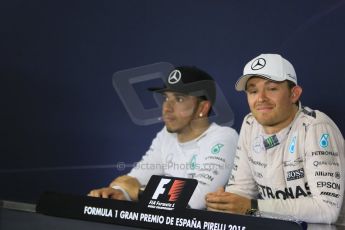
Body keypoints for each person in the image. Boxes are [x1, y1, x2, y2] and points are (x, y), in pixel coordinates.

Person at [206, 54, 345, 223]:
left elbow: (327, 210)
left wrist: (253, 208)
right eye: (253, 91)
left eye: (272, 88)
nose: (261, 98)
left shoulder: (316, 127)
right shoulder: (250, 123)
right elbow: (242, 191)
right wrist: (225, 204)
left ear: (294, 94)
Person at [89, 66, 239, 209]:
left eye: (179, 99)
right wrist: (119, 192)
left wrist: (139, 192)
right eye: (166, 98)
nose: (166, 108)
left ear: (202, 108)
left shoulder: (224, 137)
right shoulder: (166, 135)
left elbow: (196, 199)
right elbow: (136, 178)